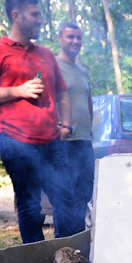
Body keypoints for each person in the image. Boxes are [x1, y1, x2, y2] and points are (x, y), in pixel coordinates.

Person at [0, 0, 83, 244]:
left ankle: (68, 254)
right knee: (30, 206)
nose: (40, 20)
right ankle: (36, 259)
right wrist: (18, 91)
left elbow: (62, 93)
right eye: (35, 15)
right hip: (15, 140)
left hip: (52, 141)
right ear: (16, 15)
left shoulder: (46, 54)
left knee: (67, 200)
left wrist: (66, 125)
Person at [55, 22, 94, 226]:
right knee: (64, 197)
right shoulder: (54, 66)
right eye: (70, 37)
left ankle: (81, 239)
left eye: (78, 37)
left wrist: (90, 128)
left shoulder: (83, 71)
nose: (75, 41)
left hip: (84, 141)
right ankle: (64, 240)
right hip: (64, 142)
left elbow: (88, 101)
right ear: (60, 38)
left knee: (85, 195)